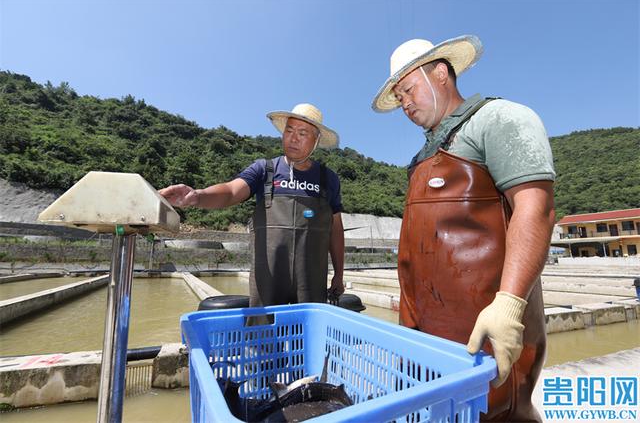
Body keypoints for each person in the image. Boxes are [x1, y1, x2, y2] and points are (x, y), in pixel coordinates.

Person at [372, 36, 556, 422]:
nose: (404, 103)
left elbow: (534, 209)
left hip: (487, 330)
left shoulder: (498, 118)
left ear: (440, 73)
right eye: (398, 96)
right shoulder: (421, 159)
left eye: (408, 89)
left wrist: (508, 304)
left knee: (504, 411)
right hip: (433, 338)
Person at [160, 103, 345, 308]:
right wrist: (197, 196)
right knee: (263, 336)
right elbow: (231, 191)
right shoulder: (264, 170)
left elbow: (335, 230)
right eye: (289, 130)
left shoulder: (328, 179)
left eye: (302, 133)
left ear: (316, 140)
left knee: (307, 336)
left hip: (311, 284)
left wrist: (339, 273)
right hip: (267, 283)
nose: (293, 138)